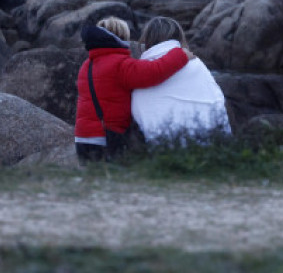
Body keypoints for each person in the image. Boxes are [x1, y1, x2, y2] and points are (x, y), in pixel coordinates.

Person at [74, 16, 191, 163]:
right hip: (106, 138)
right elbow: (153, 72)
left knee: (94, 182)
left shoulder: (87, 64)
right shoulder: (119, 63)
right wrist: (180, 55)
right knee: (114, 181)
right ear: (121, 37)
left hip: (83, 136)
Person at [132, 17, 231, 144]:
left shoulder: (141, 69)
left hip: (161, 149)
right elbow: (216, 100)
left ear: (146, 39)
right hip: (210, 145)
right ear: (179, 37)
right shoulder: (195, 64)